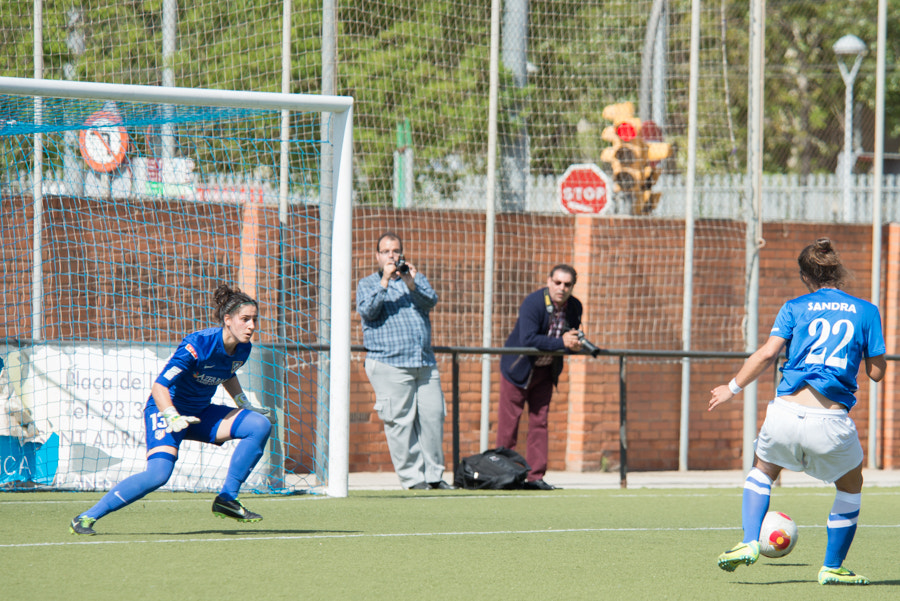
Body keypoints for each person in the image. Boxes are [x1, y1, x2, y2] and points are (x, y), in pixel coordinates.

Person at [709, 238, 886, 585]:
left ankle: (748, 541)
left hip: (785, 413)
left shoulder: (795, 306)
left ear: (806, 276)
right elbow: (876, 374)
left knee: (762, 471)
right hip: (830, 421)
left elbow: (765, 355)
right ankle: (832, 566)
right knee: (851, 486)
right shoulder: (867, 311)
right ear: (838, 272)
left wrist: (730, 388)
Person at [69, 284, 275, 535]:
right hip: (165, 411)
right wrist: (171, 416)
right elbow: (159, 386)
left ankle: (227, 499)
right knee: (158, 474)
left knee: (259, 425)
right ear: (228, 319)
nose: (252, 326)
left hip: (199, 413)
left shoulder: (243, 347)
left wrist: (244, 404)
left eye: (255, 319)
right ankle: (86, 518)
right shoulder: (197, 344)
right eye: (245, 319)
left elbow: (226, 373)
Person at [356, 232, 452, 490]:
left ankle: (434, 476)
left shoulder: (415, 279)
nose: (392, 255)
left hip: (424, 363)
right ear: (377, 256)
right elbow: (368, 311)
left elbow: (431, 300)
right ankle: (413, 480)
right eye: (386, 251)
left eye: (396, 251)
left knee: (433, 417)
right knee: (400, 424)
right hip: (389, 364)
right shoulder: (368, 283)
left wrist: (410, 282)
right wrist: (385, 281)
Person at [496, 264, 584, 490]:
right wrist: (562, 343)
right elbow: (528, 339)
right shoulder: (533, 303)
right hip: (517, 370)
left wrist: (574, 344)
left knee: (539, 423)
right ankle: (504, 475)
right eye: (557, 283)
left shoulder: (575, 306)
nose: (561, 288)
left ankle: (535, 477)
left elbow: (567, 338)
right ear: (549, 282)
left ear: (573, 286)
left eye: (567, 284)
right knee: (509, 426)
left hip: (545, 372)